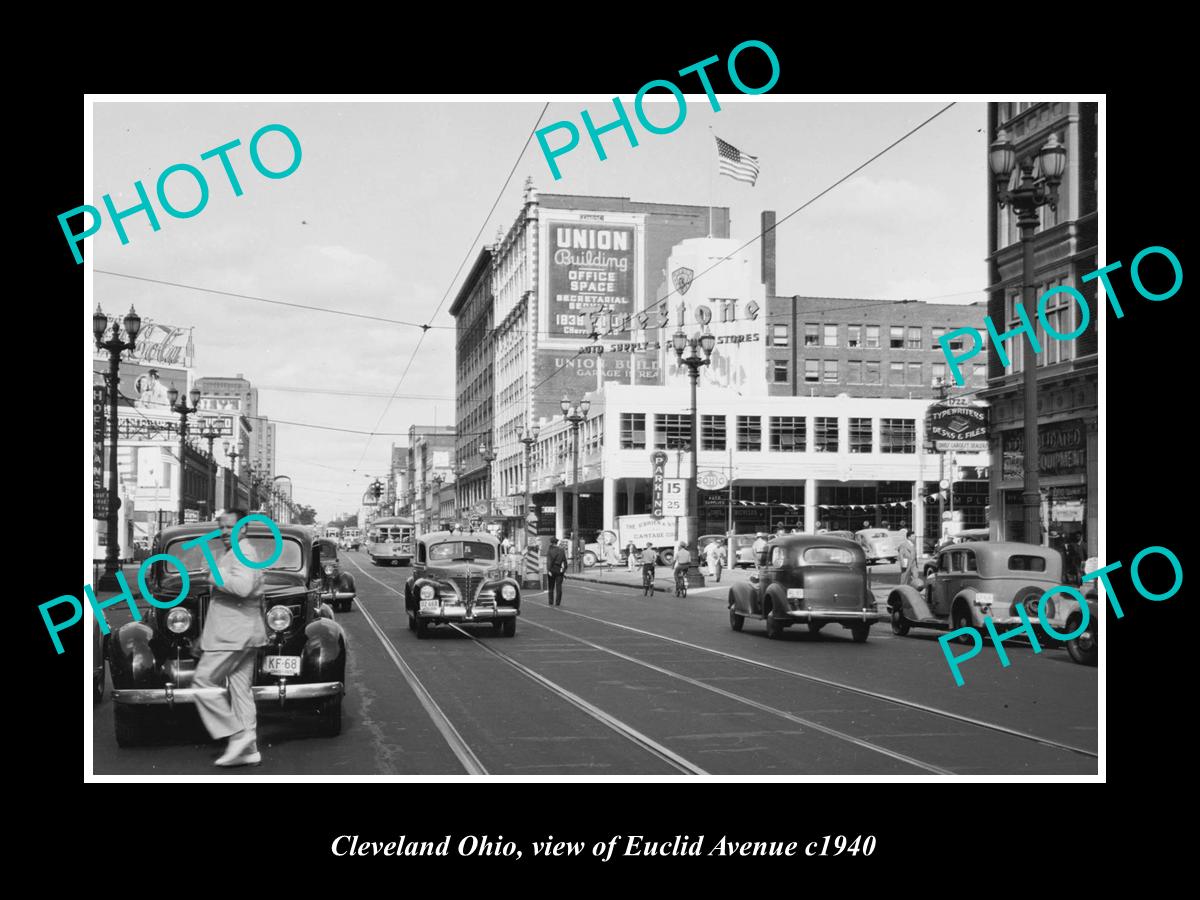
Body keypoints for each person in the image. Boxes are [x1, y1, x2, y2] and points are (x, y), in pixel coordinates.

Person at [193, 509, 267, 767]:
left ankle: (238, 735)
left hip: (233, 635)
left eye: (230, 527)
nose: (224, 532)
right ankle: (250, 749)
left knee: (202, 682)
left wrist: (211, 572)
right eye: (221, 527)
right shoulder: (235, 551)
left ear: (243, 529)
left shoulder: (244, 552)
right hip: (243, 633)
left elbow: (243, 587)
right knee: (240, 690)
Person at [545, 536, 567, 606]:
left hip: (552, 569)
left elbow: (548, 562)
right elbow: (565, 562)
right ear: (557, 543)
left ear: (551, 543)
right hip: (559, 570)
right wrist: (563, 570)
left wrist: (548, 570)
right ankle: (558, 602)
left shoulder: (550, 551)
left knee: (551, 587)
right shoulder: (561, 550)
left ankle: (551, 602)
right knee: (559, 587)